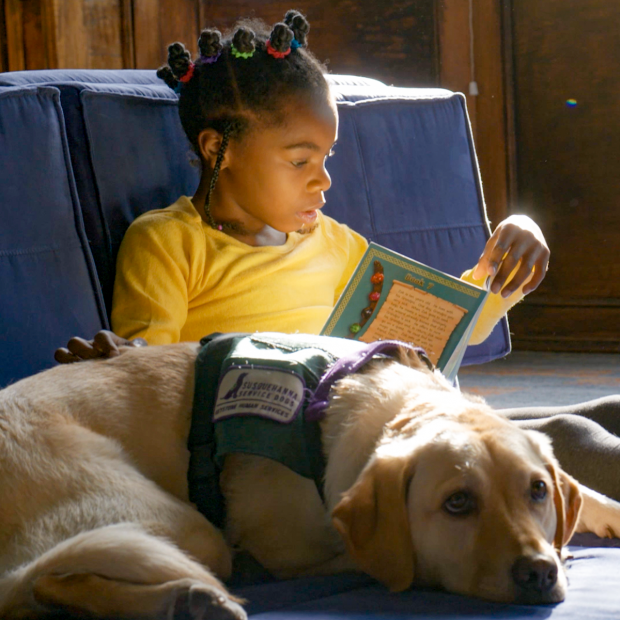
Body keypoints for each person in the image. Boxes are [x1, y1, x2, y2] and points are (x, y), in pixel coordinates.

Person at [54, 11, 620, 501]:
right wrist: (119, 361)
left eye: (327, 157)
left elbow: (447, 326)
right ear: (216, 149)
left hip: (382, 417)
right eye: (300, 160)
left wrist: (505, 259)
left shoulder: (331, 240)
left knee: (607, 411)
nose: (323, 180)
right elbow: (151, 377)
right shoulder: (169, 241)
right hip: (297, 454)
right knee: (568, 438)